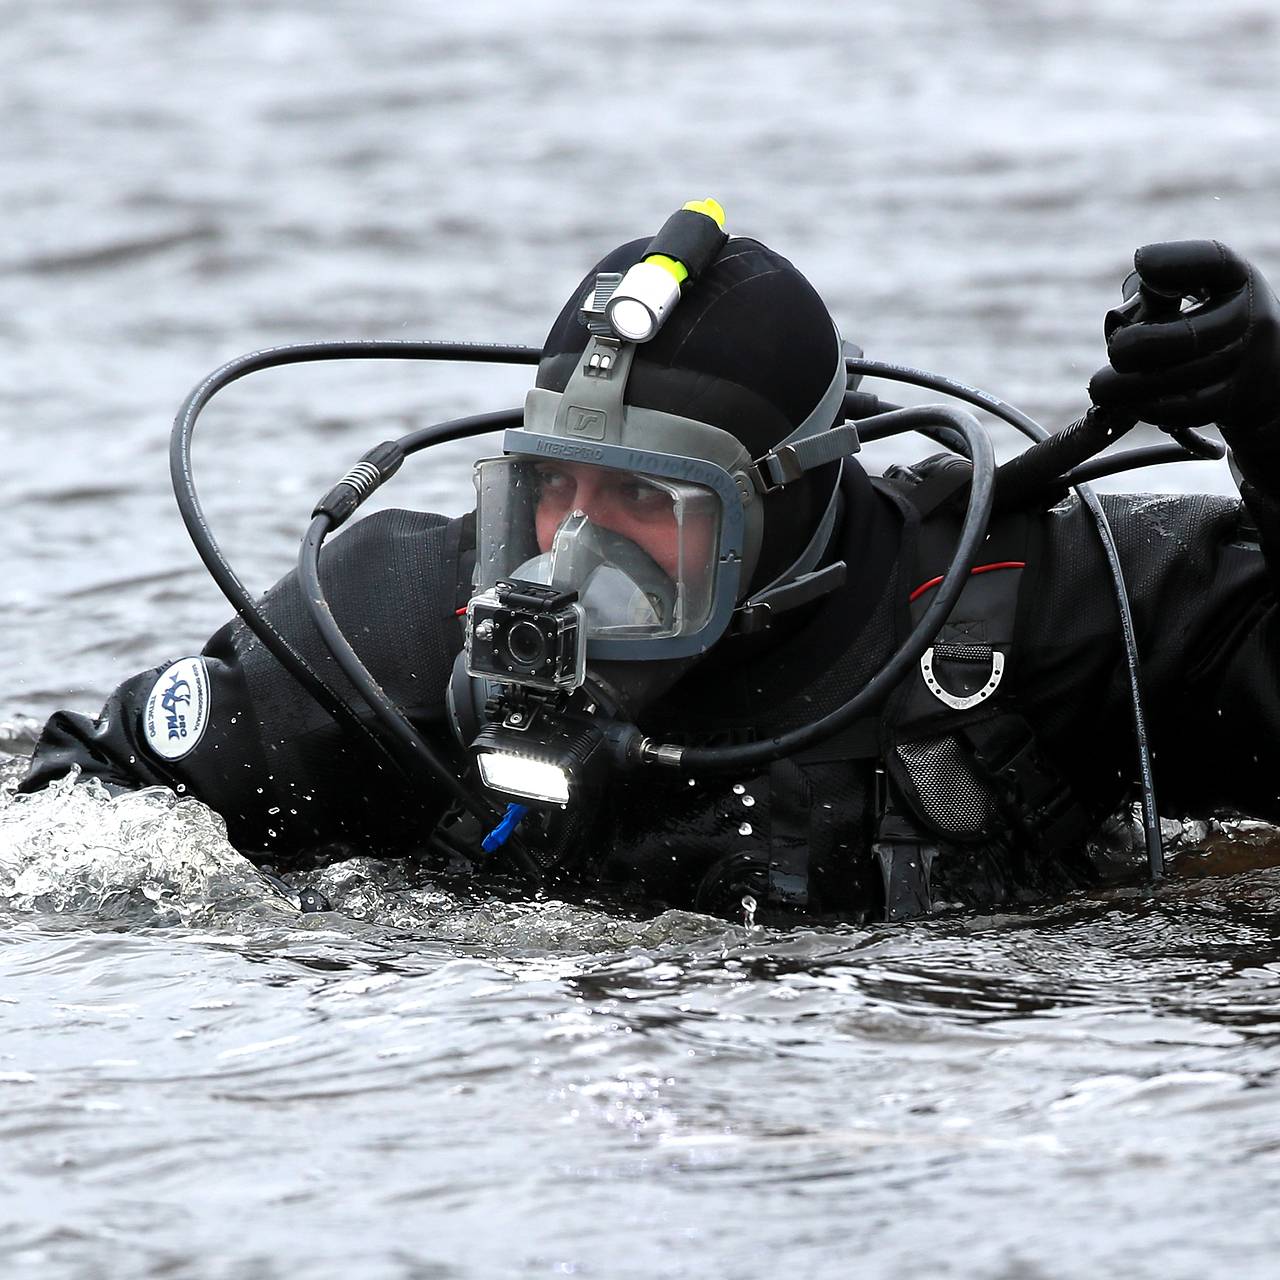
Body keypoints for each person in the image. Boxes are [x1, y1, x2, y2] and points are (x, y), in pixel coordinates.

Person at [20, 210, 1280, 924]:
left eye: (643, 500)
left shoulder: (1022, 604)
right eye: (546, 488)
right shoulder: (394, 624)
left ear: (788, 500)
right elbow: (74, 816)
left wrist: (1271, 418)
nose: (570, 548)